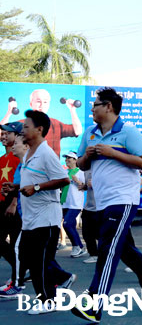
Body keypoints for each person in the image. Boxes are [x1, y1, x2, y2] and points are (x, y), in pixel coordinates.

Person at [71, 87, 142, 323]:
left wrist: (113, 153)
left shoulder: (128, 132)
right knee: (121, 247)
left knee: (108, 248)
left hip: (123, 199)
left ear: (109, 107)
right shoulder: (90, 134)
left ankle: (94, 303)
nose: (92, 109)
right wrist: (88, 156)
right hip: (100, 201)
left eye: (96, 105)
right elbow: (81, 165)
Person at [2, 110, 74, 314]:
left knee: (39, 263)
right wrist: (15, 187)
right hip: (31, 219)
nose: (22, 130)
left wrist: (37, 188)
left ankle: (47, 301)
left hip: (46, 218)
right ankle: (60, 282)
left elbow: (64, 179)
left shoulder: (46, 152)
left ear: (39, 129)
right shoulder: (30, 154)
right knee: (30, 260)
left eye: (26, 127)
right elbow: (32, 181)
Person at [2, 89, 83, 156]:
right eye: (38, 101)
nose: (42, 105)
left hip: (51, 172)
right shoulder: (21, 125)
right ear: (31, 104)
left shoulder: (56, 124)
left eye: (45, 102)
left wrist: (72, 110)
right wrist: (9, 112)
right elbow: (1, 133)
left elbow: (77, 131)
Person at [0, 122, 23, 294]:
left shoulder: (19, 158)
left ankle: (18, 277)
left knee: (15, 243)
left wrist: (14, 202)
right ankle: (20, 271)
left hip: (12, 205)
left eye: (7, 133)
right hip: (2, 204)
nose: (3, 136)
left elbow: (19, 183)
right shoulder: (2, 159)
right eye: (2, 133)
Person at [61, 151, 87, 258]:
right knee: (69, 225)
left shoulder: (80, 172)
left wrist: (78, 182)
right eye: (66, 158)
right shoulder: (65, 173)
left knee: (67, 224)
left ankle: (77, 246)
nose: (67, 159)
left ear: (75, 160)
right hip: (65, 203)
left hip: (75, 204)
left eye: (69, 158)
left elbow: (85, 187)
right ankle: (79, 247)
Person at [80, 170, 101, 264]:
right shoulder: (86, 170)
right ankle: (93, 254)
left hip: (100, 207)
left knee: (100, 234)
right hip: (88, 207)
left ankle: (104, 254)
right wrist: (84, 186)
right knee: (86, 233)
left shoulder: (102, 168)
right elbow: (87, 185)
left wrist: (96, 184)